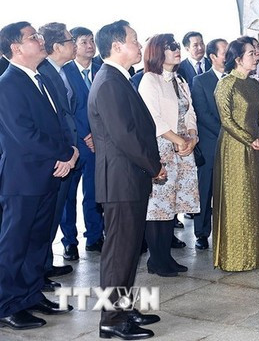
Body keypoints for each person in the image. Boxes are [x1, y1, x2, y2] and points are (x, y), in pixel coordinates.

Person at [0, 22, 78, 330]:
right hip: (23, 180)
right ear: (16, 48)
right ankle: (6, 305)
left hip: (48, 172)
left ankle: (31, 296)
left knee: (38, 242)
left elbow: (58, 121)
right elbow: (23, 134)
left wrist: (70, 151)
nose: (40, 40)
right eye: (33, 37)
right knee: (13, 245)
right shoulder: (7, 84)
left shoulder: (39, 78)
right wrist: (64, 152)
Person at [88, 20, 163, 339]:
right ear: (117, 46)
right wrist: (153, 165)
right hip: (121, 180)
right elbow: (125, 135)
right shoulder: (108, 81)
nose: (139, 44)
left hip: (129, 178)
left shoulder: (119, 78)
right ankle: (111, 321)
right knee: (119, 252)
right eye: (134, 39)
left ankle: (123, 306)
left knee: (130, 250)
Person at [137, 35, 200, 277]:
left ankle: (167, 257)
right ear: (156, 53)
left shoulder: (180, 79)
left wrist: (192, 137)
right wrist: (179, 140)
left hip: (183, 148)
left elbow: (190, 111)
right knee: (158, 207)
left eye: (176, 47)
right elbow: (154, 119)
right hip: (163, 148)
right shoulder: (149, 81)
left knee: (173, 205)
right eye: (170, 47)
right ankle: (157, 260)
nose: (176, 50)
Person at [213, 37, 259, 271]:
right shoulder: (226, 84)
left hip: (255, 147)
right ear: (237, 58)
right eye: (252, 53)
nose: (256, 56)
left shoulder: (254, 83)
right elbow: (226, 121)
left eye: (256, 52)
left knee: (254, 198)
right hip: (234, 148)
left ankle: (253, 255)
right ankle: (234, 257)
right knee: (236, 199)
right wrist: (252, 140)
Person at [37, 23, 79, 282]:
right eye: (70, 40)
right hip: (57, 157)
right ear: (57, 47)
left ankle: (46, 264)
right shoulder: (44, 73)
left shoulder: (63, 72)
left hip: (69, 152)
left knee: (55, 213)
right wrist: (64, 153)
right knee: (48, 217)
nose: (74, 43)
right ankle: (40, 270)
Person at [61, 27, 104, 256]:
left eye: (92, 41)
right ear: (73, 45)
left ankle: (95, 237)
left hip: (98, 145)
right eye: (84, 41)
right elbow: (64, 110)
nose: (90, 45)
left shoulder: (101, 70)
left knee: (95, 193)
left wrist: (97, 136)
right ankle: (69, 241)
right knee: (68, 196)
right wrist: (85, 135)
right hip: (74, 145)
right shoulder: (63, 72)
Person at [190, 38, 227, 250]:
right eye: (225, 52)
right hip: (211, 144)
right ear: (213, 56)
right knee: (205, 191)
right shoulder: (200, 81)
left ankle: (226, 229)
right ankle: (201, 232)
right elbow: (202, 114)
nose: (229, 56)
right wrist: (228, 132)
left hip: (234, 145)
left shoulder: (236, 79)